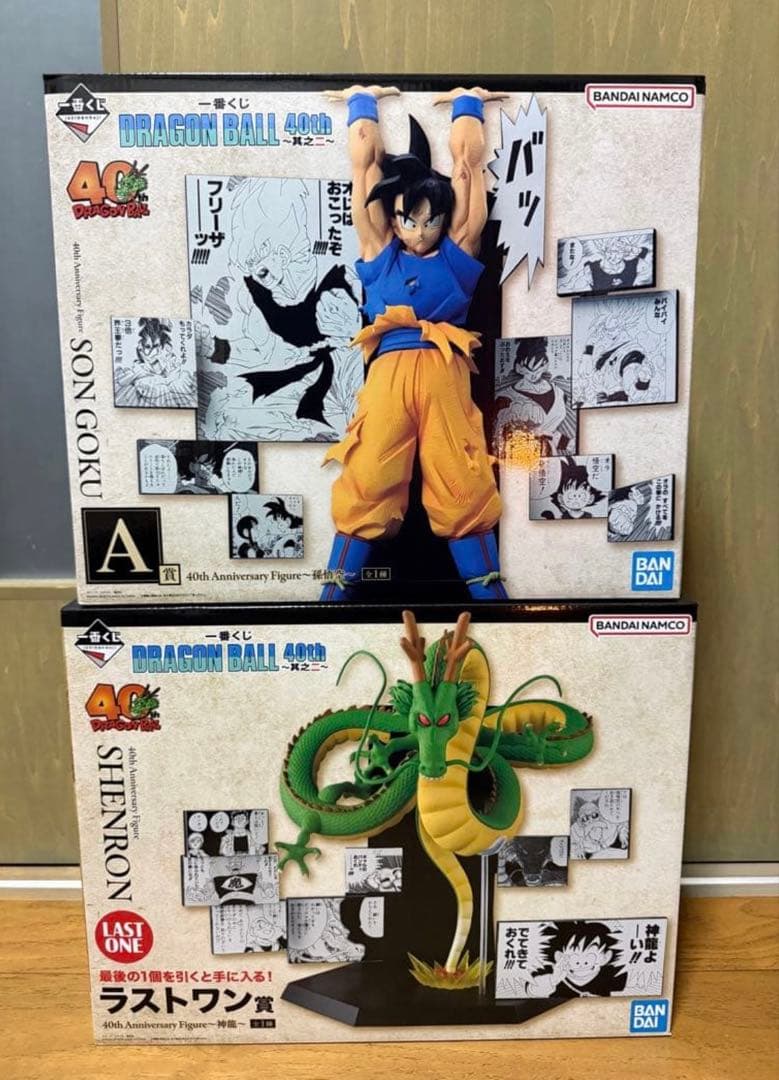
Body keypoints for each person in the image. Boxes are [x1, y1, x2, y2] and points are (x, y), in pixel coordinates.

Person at [319, 84, 508, 600]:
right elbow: (363, 169)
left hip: (444, 372)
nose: (420, 231)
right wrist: (362, 104)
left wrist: (468, 105)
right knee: (368, 474)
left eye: (430, 221)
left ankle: (491, 599)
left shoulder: (457, 257)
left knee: (461, 477)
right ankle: (333, 598)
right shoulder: (381, 255)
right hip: (389, 374)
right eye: (408, 219)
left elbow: (467, 170)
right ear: (395, 217)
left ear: (442, 219)